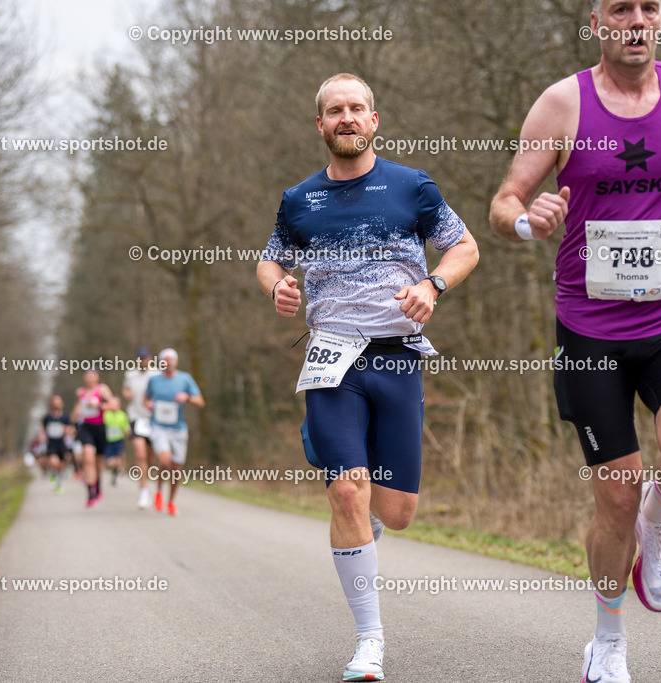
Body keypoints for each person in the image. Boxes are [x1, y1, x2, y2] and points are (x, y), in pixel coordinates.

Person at [489, 2, 661, 680]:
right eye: (620, 8)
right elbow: (505, 201)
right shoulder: (561, 104)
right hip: (590, 331)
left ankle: (658, 522)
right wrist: (529, 221)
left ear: (659, 18)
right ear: (597, 21)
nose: (636, 20)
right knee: (614, 495)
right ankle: (607, 638)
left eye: (648, 8)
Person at [257, 73, 479, 682]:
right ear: (320, 125)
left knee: (398, 511)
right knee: (348, 490)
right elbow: (271, 256)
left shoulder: (411, 186)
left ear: (374, 120)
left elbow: (465, 247)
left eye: (357, 109)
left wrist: (433, 284)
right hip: (331, 356)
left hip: (397, 356)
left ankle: (362, 511)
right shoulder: (300, 199)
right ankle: (369, 641)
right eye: (335, 111)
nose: (347, 118)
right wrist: (277, 284)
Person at [144, 348, 204, 517]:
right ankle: (158, 492)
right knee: (164, 460)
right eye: (165, 360)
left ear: (176, 362)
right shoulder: (154, 381)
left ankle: (171, 502)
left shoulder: (185, 379)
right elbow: (145, 398)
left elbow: (200, 402)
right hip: (158, 426)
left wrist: (187, 397)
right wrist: (148, 404)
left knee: (177, 468)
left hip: (178, 428)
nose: (168, 363)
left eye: (171, 360)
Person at [69, 367, 114, 507]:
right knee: (88, 457)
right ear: (84, 378)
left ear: (97, 377)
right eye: (87, 375)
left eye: (92, 375)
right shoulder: (80, 392)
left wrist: (99, 404)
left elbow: (113, 406)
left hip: (100, 428)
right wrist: (75, 415)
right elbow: (75, 413)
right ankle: (90, 493)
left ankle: (98, 485)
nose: (89, 377)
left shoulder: (102, 389)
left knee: (98, 462)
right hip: (86, 428)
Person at [123, 347, 161, 508]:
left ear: (150, 359)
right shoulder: (130, 374)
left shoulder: (157, 374)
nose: (142, 361)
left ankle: (147, 477)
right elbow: (125, 389)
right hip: (136, 417)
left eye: (145, 358)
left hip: (154, 418)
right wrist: (127, 394)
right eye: (140, 358)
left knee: (150, 457)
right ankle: (143, 492)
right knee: (140, 454)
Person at [39, 395, 72, 492]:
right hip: (52, 443)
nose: (56, 405)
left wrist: (66, 430)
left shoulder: (65, 416)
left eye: (58, 403)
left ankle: (58, 482)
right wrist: (42, 436)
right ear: (52, 405)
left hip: (62, 444)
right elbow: (43, 428)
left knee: (61, 465)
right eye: (54, 403)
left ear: (62, 404)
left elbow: (72, 429)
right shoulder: (48, 417)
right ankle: (53, 474)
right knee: (54, 462)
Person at [103, 397, 130, 486]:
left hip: (118, 440)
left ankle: (115, 473)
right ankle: (114, 470)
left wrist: (127, 432)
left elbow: (126, 428)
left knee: (118, 461)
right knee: (110, 462)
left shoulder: (122, 415)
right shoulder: (106, 414)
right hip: (108, 441)